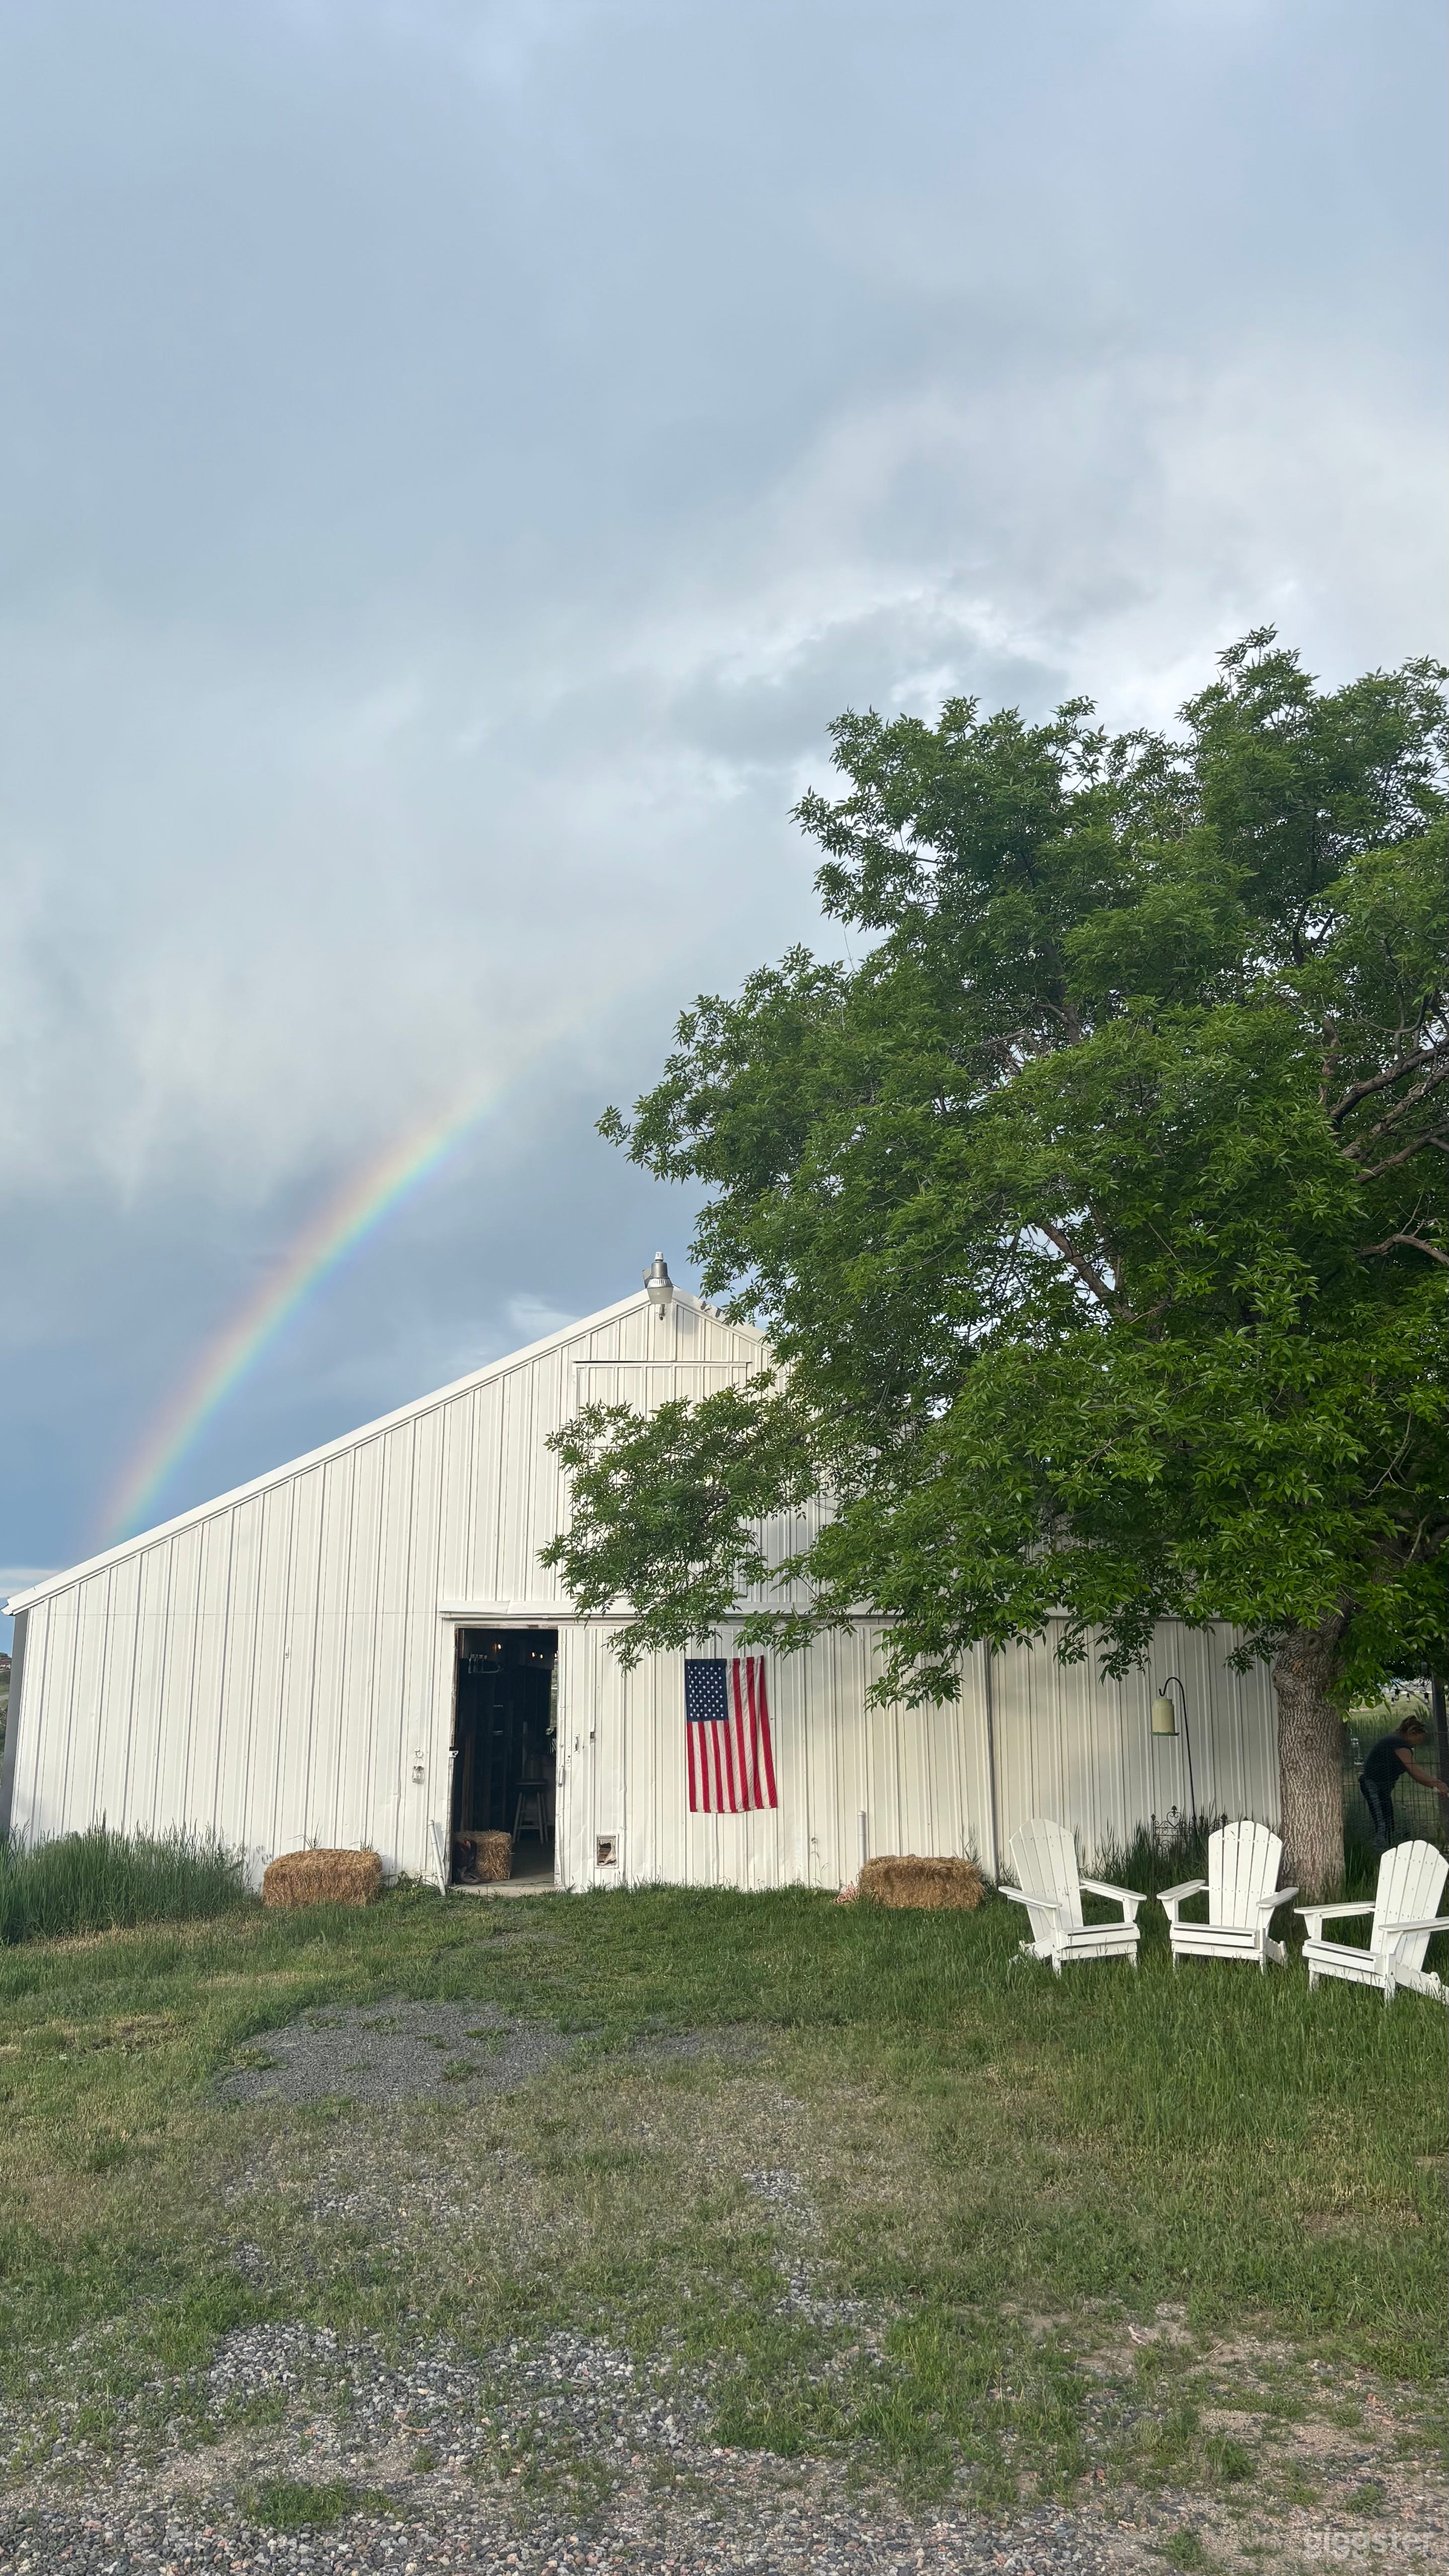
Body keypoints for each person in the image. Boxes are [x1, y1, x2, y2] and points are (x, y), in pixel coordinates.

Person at [1358, 1711, 1449, 1852]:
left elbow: (1415, 1776)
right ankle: (1380, 1853)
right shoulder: (1399, 1744)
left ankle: (1383, 1852)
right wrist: (1438, 1784)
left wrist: (1434, 1785)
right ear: (1413, 1733)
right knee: (1384, 1824)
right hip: (1374, 1785)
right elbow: (1415, 1771)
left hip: (1380, 1787)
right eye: (1419, 1739)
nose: (1419, 1743)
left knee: (1387, 1821)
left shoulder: (1394, 1741)